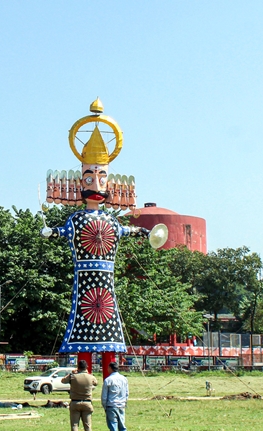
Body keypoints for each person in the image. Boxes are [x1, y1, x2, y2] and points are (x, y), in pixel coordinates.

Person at [42, 99, 166, 380]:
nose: (96, 185)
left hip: (104, 290)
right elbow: (64, 232)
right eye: (89, 177)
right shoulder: (76, 220)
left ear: (111, 182)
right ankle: (82, 376)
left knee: (109, 333)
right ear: (78, 181)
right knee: (82, 335)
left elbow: (127, 231)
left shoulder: (112, 221)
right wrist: (52, 232)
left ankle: (111, 377)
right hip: (86, 284)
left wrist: (144, 232)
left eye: (102, 177)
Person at [61, 359, 98, 431]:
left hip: (75, 402)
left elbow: (63, 381)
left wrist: (71, 373)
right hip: (87, 403)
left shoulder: (73, 376)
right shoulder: (90, 377)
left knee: (74, 425)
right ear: (87, 367)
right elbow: (96, 383)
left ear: (78, 367)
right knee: (87, 426)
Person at [101, 362, 129, 431]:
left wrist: (104, 406)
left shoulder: (108, 380)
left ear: (111, 368)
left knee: (113, 426)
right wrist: (124, 402)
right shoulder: (124, 379)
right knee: (122, 426)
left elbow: (104, 396)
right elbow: (127, 393)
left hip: (111, 405)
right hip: (121, 405)